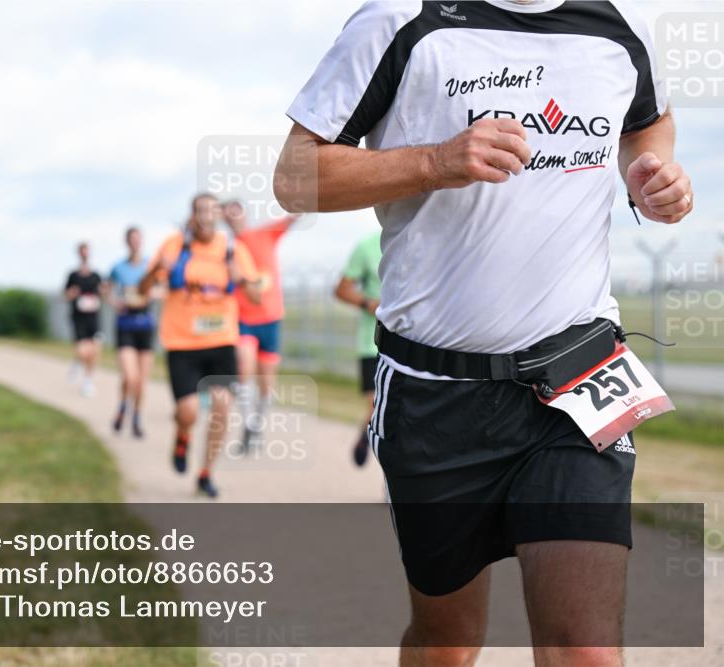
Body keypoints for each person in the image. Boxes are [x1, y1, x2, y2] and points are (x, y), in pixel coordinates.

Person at [274, 2, 693, 665]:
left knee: (585, 649)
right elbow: (295, 176)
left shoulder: (619, 25)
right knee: (448, 642)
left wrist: (647, 171)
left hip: (579, 373)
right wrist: (435, 161)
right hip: (435, 392)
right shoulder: (401, 19)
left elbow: (650, 120)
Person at [140, 193, 261, 499]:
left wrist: (243, 281)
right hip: (181, 342)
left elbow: (257, 297)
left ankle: (205, 473)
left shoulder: (233, 249)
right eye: (200, 211)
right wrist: (155, 271)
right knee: (188, 412)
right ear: (192, 216)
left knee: (222, 407)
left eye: (212, 211)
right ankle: (182, 436)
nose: (207, 217)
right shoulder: (175, 245)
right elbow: (143, 291)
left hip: (221, 341)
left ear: (218, 216)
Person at [222, 200, 300, 451]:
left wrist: (308, 189)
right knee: (243, 366)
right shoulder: (227, 250)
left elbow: (295, 216)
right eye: (228, 215)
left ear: (244, 213)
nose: (233, 218)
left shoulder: (265, 234)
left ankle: (255, 428)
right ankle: (247, 425)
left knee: (267, 383)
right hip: (243, 319)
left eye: (236, 212)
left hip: (271, 318)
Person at [333, 231, 382, 467]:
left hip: (415, 342)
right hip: (372, 344)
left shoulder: (426, 237)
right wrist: (368, 303)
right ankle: (367, 435)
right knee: (380, 406)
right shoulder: (367, 247)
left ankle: (367, 436)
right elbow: (341, 290)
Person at [106, 226, 158, 438]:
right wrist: (115, 302)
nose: (135, 242)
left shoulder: (150, 266)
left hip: (145, 325)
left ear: (142, 241)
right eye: (132, 239)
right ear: (126, 242)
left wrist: (149, 294)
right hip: (125, 324)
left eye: (138, 239)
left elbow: (162, 288)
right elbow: (106, 289)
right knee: (131, 376)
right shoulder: (118, 267)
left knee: (141, 380)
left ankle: (136, 416)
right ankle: (123, 406)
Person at [65, 242, 103, 398]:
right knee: (82, 350)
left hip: (93, 318)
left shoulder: (96, 276)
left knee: (94, 351)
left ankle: (88, 381)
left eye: (87, 252)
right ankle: (78, 362)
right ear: (79, 254)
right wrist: (72, 293)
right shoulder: (73, 276)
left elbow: (103, 293)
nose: (85, 255)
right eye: (82, 252)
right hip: (78, 317)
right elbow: (66, 295)